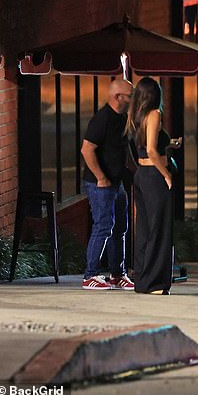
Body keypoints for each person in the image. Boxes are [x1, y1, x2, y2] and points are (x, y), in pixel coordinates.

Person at [80, 79, 135, 290]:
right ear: (117, 97)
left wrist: (135, 171)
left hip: (117, 181)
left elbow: (124, 149)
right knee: (103, 226)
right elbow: (87, 149)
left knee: (120, 227)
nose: (133, 99)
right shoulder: (102, 119)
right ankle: (90, 275)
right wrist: (101, 177)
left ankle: (117, 274)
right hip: (100, 184)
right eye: (130, 95)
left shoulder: (121, 119)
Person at [127, 77, 173, 295]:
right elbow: (153, 150)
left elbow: (142, 148)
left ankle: (143, 281)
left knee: (144, 230)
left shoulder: (135, 116)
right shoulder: (154, 114)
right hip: (154, 176)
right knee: (159, 229)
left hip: (142, 174)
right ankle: (155, 283)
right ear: (156, 95)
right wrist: (167, 175)